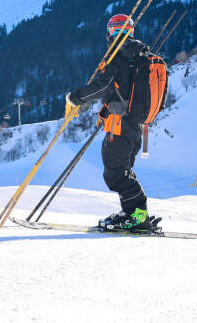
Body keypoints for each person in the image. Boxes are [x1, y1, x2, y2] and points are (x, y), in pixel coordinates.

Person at [64, 13, 151, 231]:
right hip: (135, 125)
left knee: (115, 173)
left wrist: (75, 98)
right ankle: (132, 213)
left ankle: (139, 216)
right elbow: (123, 91)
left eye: (113, 31)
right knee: (123, 170)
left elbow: (103, 86)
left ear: (110, 33)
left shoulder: (117, 58)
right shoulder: (138, 57)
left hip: (121, 126)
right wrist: (105, 111)